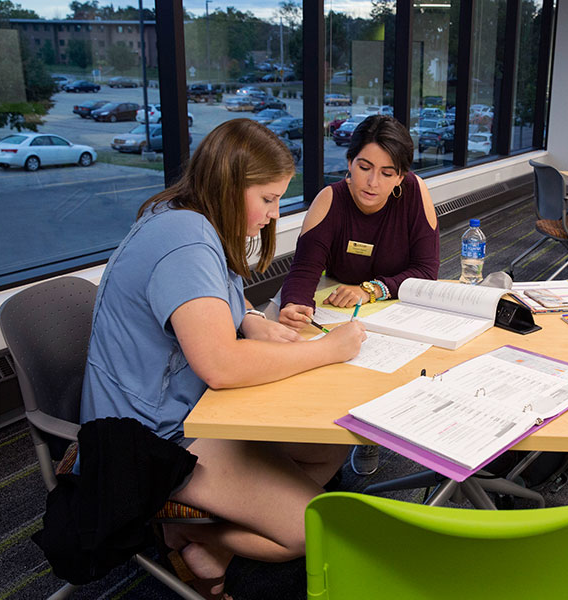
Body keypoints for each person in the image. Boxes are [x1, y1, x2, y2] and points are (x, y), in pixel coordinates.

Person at [79, 119, 366, 599]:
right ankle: (199, 537)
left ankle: (214, 535)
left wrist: (252, 321)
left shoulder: (186, 215)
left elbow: (220, 298)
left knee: (331, 446)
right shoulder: (185, 241)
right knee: (313, 527)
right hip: (149, 440)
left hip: (187, 412)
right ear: (231, 187)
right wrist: (326, 351)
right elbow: (222, 365)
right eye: (269, 199)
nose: (274, 215)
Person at [276, 115, 440, 476]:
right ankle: (332, 435)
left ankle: (371, 431)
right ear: (349, 163)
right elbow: (304, 271)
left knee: (392, 365)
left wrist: (371, 289)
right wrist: (295, 305)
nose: (371, 181)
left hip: (393, 302)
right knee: (317, 358)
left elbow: (428, 272)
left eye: (386, 172)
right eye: (364, 167)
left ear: (400, 176)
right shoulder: (330, 199)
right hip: (333, 297)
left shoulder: (415, 193)